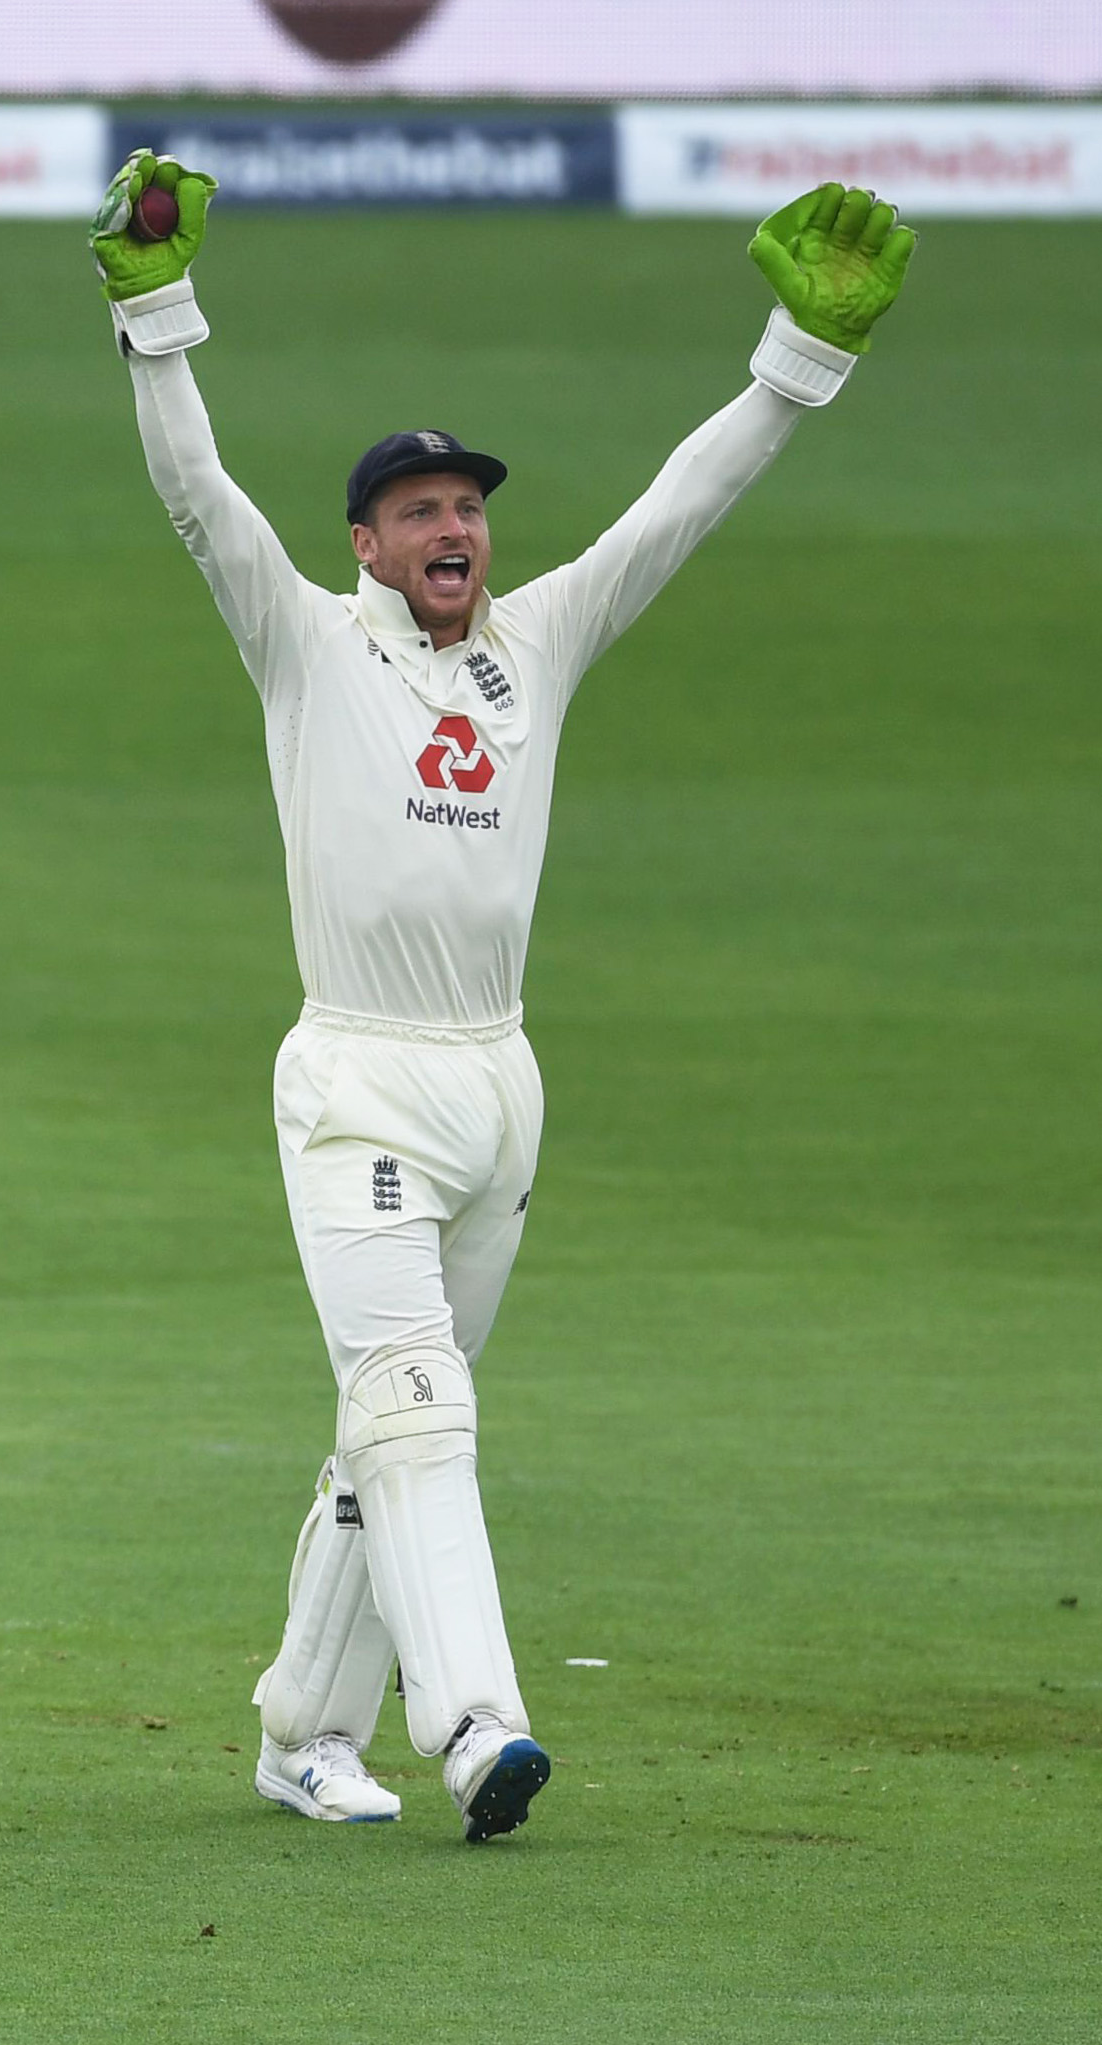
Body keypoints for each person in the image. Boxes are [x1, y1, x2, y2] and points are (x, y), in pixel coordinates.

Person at [93, 158, 917, 1840]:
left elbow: (672, 512)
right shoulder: (304, 643)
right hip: (355, 1076)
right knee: (415, 1401)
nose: (451, 526)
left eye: (466, 505)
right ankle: (474, 1726)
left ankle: (296, 1729)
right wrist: (151, 313)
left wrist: (791, 359)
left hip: (497, 1084)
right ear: (361, 544)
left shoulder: (528, 646)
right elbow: (194, 498)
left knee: (384, 1430)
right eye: (416, 511)